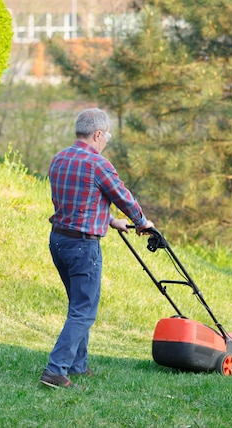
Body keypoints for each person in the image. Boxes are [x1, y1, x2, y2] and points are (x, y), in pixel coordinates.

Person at [40, 108, 154, 389]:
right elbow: (122, 196)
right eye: (107, 137)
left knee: (78, 305)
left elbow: (77, 201)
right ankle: (55, 370)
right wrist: (141, 222)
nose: (106, 142)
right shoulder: (97, 163)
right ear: (98, 134)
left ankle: (77, 366)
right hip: (82, 246)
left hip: (59, 241)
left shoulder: (59, 159)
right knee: (84, 310)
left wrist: (111, 221)